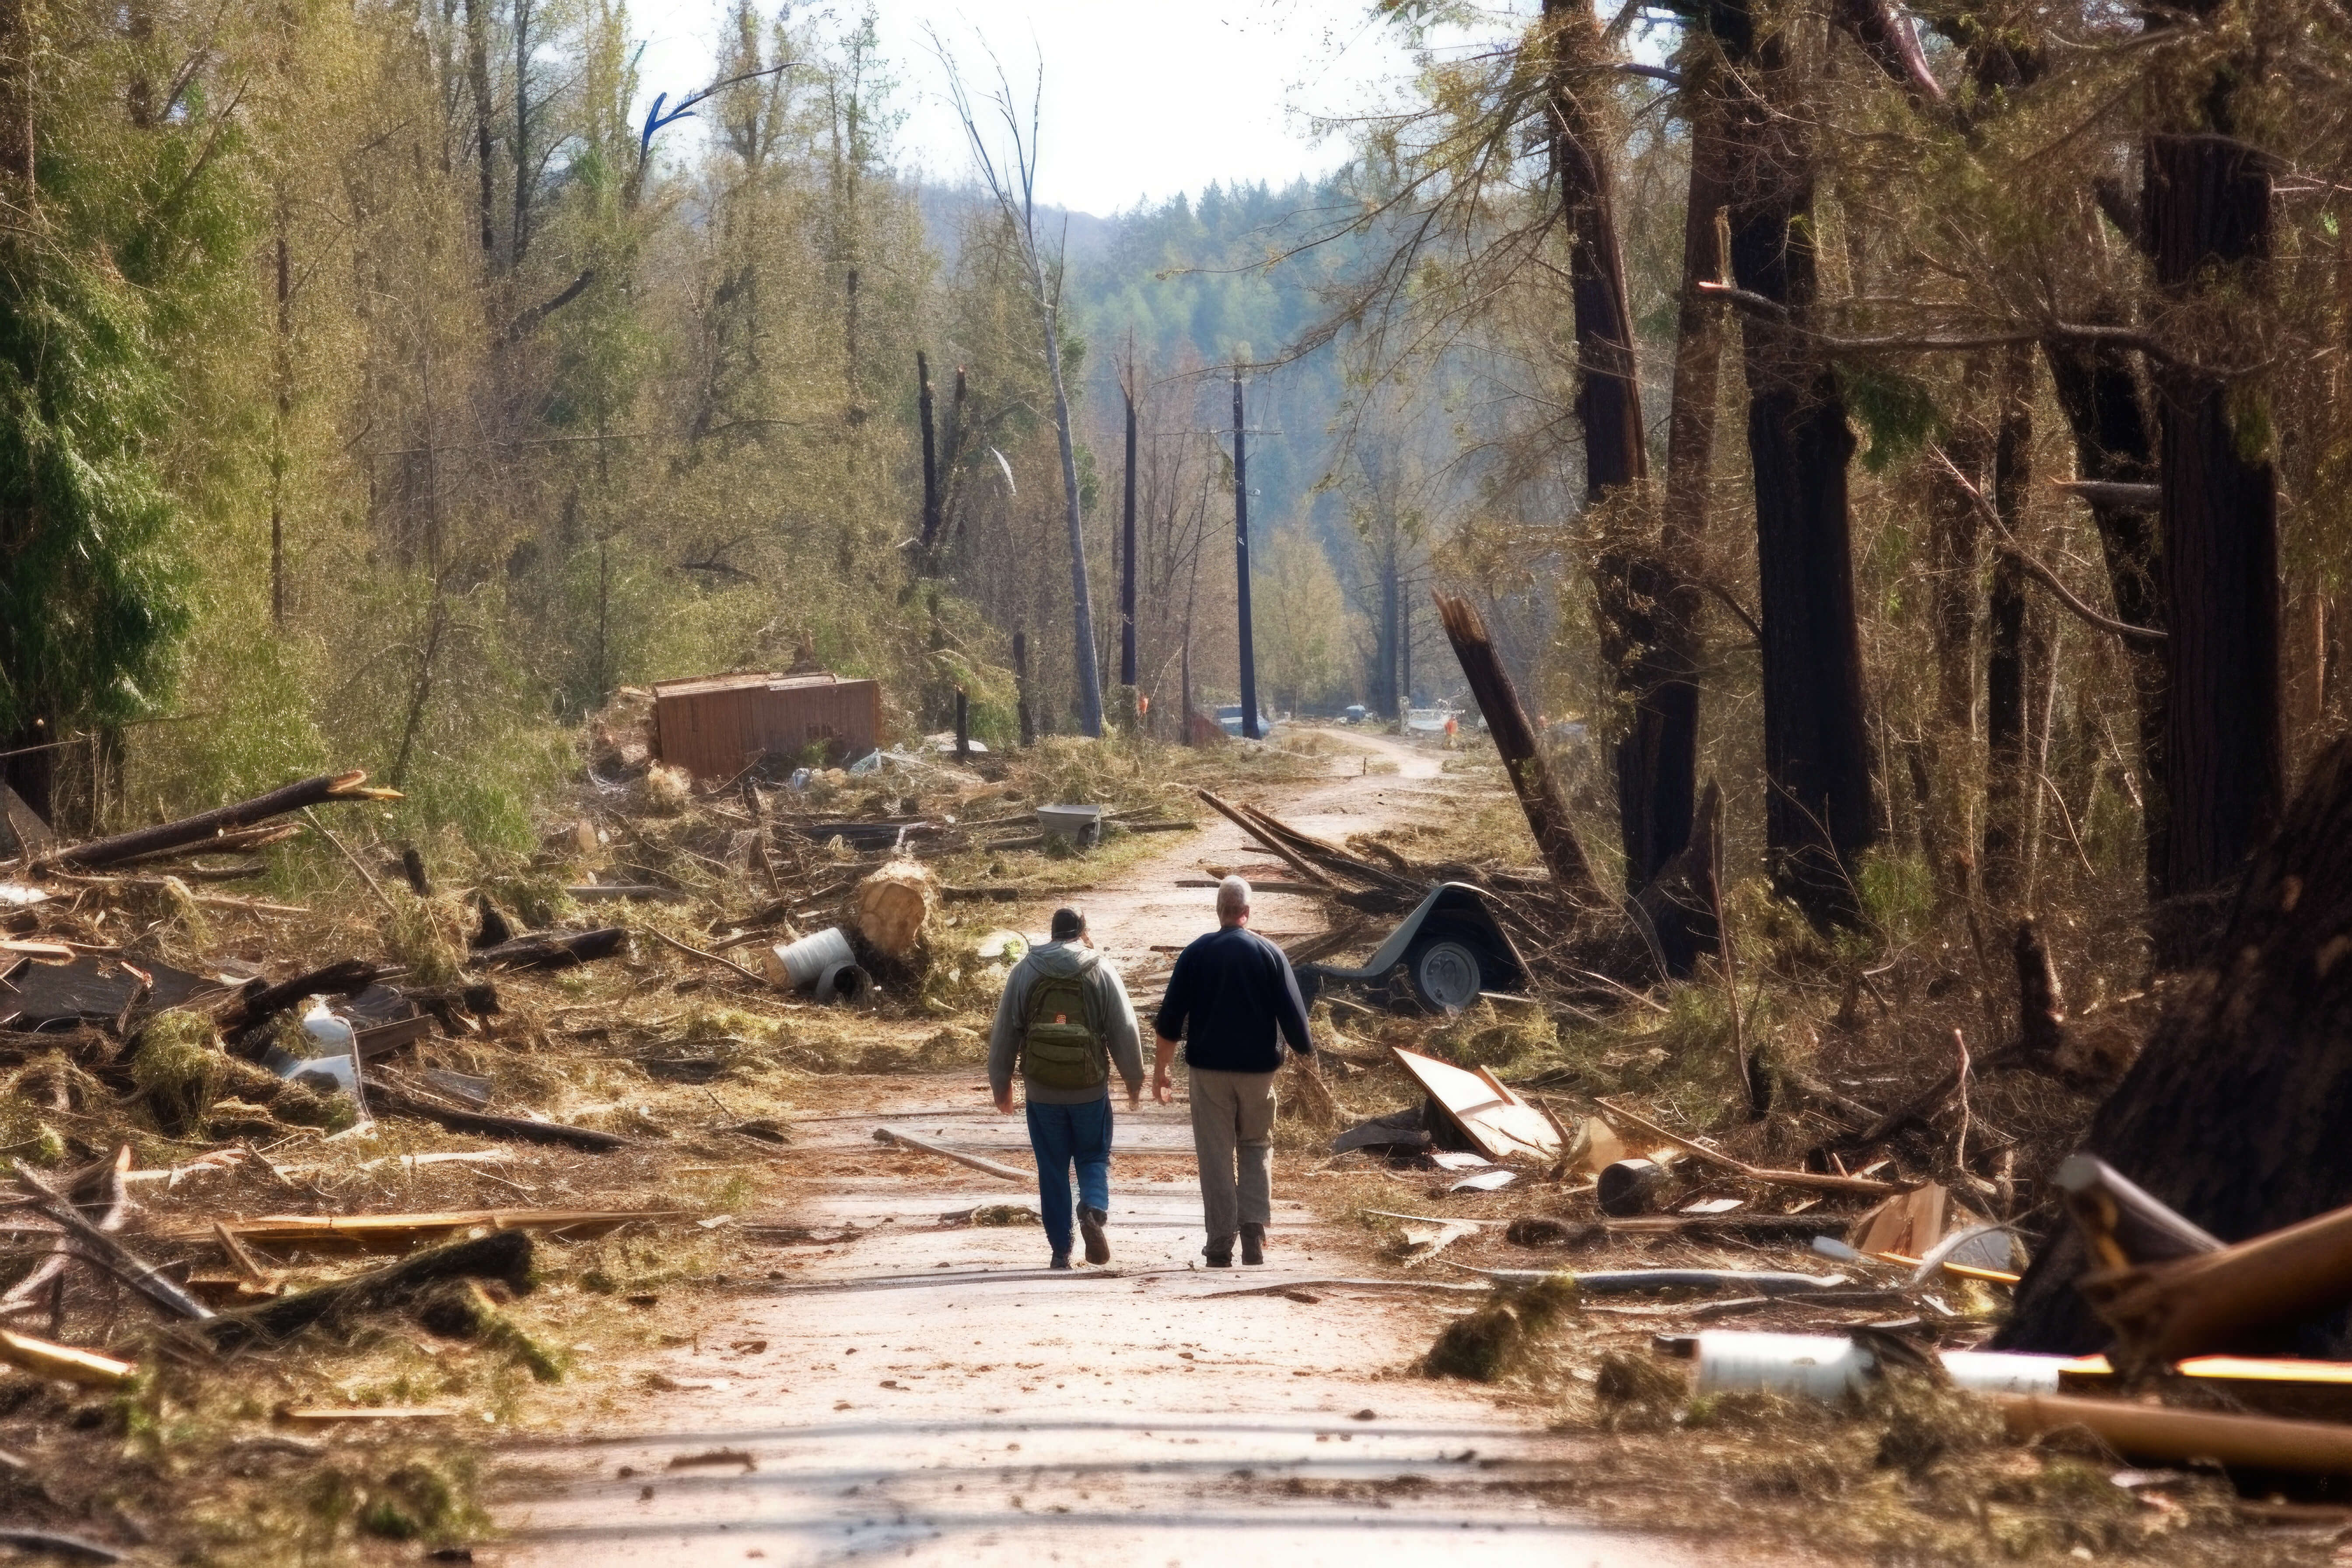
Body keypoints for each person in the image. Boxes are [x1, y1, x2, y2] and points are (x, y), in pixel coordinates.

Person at [1151, 876, 1316, 1267]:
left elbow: (1170, 1021)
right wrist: (1309, 1060)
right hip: (1259, 1074)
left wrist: (1161, 1070)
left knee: (1216, 1154)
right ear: (1247, 911)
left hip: (1209, 1072)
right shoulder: (1270, 953)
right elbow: (1296, 1022)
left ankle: (1221, 1242)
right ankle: (1253, 1235)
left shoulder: (1196, 953)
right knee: (1256, 1144)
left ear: (1219, 911)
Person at [987, 907, 1144, 1269]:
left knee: (1052, 1168)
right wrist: (1133, 1080)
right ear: (1082, 932)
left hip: (1042, 1091)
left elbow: (1006, 1031)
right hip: (1089, 1089)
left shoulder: (1026, 969)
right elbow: (1123, 1028)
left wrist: (1001, 1083)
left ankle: (1061, 1250)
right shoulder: (1100, 968)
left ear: (1052, 933)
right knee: (1093, 1156)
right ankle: (1093, 1209)